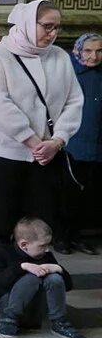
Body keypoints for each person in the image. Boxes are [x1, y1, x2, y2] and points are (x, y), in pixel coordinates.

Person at [0, 0, 83, 256]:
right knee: (0, 226)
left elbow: (74, 101)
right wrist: (33, 142)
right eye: (47, 26)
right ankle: (2, 289)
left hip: (47, 157)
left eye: (57, 27)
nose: (52, 33)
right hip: (4, 155)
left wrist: (58, 140)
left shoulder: (59, 57)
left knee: (40, 226)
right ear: (27, 23)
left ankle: (34, 283)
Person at [0, 217, 87, 338]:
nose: (47, 250)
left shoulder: (45, 256)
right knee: (32, 277)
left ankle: (59, 321)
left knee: (54, 277)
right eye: (42, 246)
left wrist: (58, 269)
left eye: (48, 245)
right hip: (7, 305)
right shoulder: (2, 253)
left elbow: (67, 286)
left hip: (34, 308)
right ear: (24, 245)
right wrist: (22, 267)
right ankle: (9, 319)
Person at [65, 32, 102, 254]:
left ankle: (77, 235)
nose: (94, 56)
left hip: (96, 143)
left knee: (88, 195)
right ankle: (62, 236)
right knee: (67, 193)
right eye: (88, 50)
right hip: (72, 142)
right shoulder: (69, 72)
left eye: (99, 51)